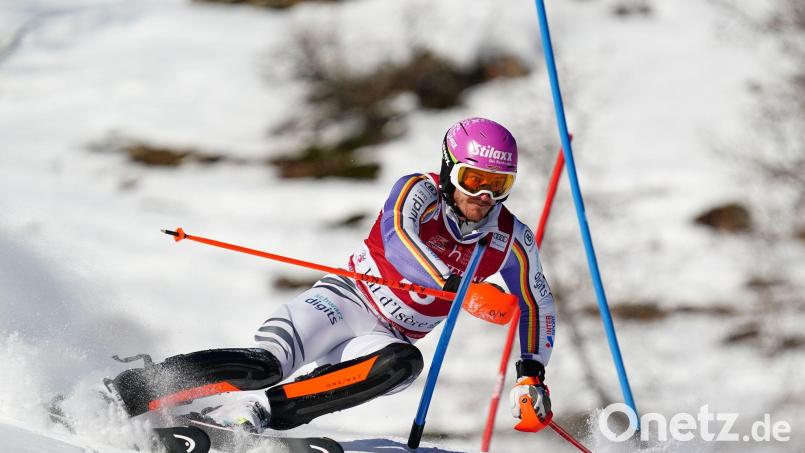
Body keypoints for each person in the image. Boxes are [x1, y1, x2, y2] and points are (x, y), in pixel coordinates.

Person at [109, 117, 557, 434]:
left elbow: (538, 303)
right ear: (448, 169)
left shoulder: (510, 237)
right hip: (343, 303)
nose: (482, 195)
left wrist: (531, 375)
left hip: (387, 336)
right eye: (472, 178)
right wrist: (458, 287)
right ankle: (132, 391)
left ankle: (258, 413)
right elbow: (398, 237)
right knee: (264, 365)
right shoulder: (416, 190)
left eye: (497, 185)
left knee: (403, 365)